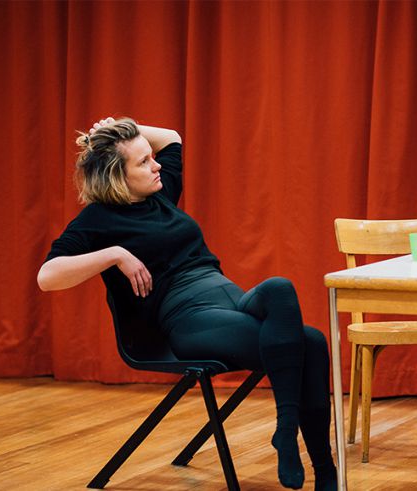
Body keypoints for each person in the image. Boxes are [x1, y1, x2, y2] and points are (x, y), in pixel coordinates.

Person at [37, 117, 336, 490]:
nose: (156, 165)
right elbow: (48, 277)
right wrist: (114, 254)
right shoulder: (98, 220)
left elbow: (171, 138)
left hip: (229, 299)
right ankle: (320, 467)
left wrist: (120, 127)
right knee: (310, 343)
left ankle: (286, 432)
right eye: (143, 161)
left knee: (279, 288)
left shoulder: (159, 194)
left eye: (152, 157)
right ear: (118, 177)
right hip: (187, 319)